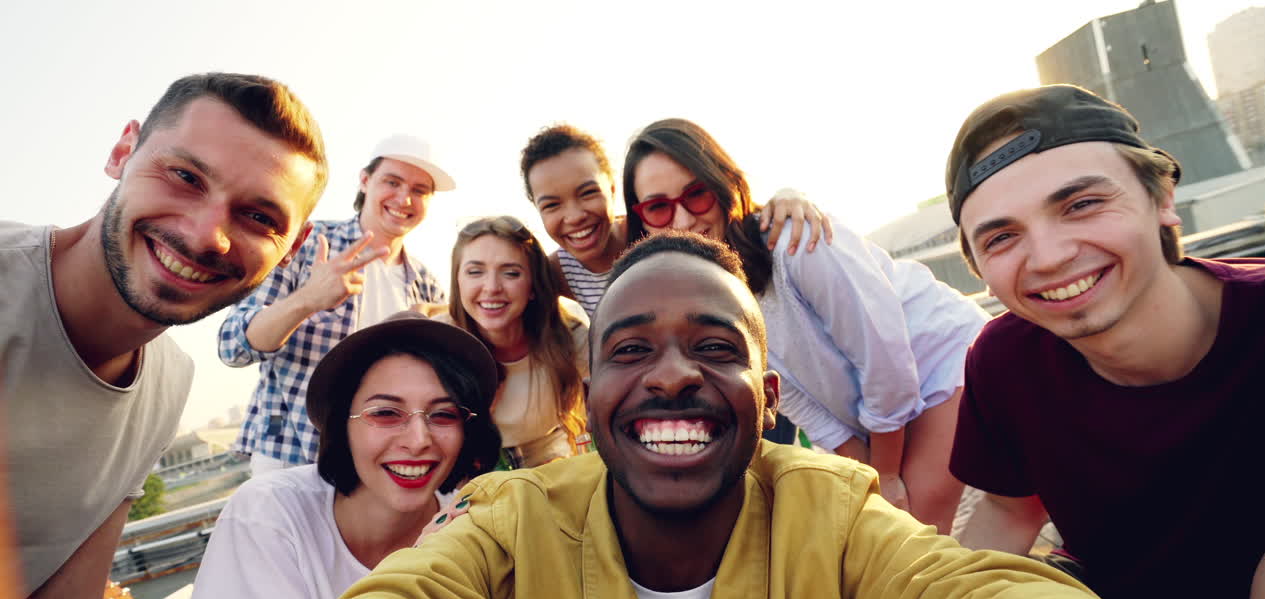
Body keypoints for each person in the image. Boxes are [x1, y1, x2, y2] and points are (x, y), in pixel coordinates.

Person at [77, 233, 1265, 599]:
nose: (667, 377)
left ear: (764, 404)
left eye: (714, 348)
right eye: (629, 351)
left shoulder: (833, 514)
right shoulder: (500, 523)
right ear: (583, 401)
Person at [0, 71, 328, 599]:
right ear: (123, 152)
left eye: (259, 216)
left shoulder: (169, 381)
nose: (207, 233)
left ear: (292, 249)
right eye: (185, 177)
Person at [945, 84, 1265, 599]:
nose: (1049, 258)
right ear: (979, 268)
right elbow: (1006, 515)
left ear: (1162, 198)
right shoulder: (1006, 361)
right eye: (1002, 237)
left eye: (1081, 205)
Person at [622, 119, 989, 534]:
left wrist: (883, 474)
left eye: (697, 194)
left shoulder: (796, 241)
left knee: (913, 530)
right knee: (884, 527)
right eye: (658, 206)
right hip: (885, 408)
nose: (685, 218)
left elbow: (883, 356)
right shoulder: (709, 295)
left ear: (724, 183)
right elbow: (794, 397)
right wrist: (864, 472)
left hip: (945, 361)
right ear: (642, 220)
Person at [180, 311, 500, 599]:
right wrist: (413, 573)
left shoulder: (473, 529)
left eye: (444, 414)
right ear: (341, 426)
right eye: (386, 413)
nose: (419, 440)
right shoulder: (268, 513)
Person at [219, 133, 451, 477]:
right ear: (365, 181)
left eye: (420, 191)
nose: (404, 198)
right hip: (293, 454)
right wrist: (308, 299)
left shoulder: (425, 285)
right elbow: (232, 346)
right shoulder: (309, 242)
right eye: (393, 181)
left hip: (380, 466)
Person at [520, 124, 834, 318]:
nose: (574, 216)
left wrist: (788, 195)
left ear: (613, 189)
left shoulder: (655, 226)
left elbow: (730, 213)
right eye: (552, 205)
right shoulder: (557, 274)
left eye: (588, 193)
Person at [425, 216, 589, 468]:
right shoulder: (436, 340)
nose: (491, 287)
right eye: (475, 272)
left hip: (549, 465)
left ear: (533, 285)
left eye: (511, 273)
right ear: (458, 280)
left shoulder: (571, 337)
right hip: (466, 468)